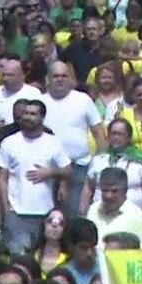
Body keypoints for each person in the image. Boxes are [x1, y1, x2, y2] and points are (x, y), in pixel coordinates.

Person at [0, 99, 71, 254]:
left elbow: (68, 170)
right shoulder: (9, 142)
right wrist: (5, 208)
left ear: (42, 117)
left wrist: (50, 172)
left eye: (33, 114)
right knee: (18, 256)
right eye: (26, 113)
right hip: (17, 211)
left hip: (45, 212)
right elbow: (2, 178)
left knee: (42, 255)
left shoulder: (53, 142)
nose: (28, 117)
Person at [41, 61, 104, 215]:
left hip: (79, 166)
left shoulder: (83, 100)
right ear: (48, 79)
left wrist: (101, 160)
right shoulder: (40, 101)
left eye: (64, 76)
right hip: (48, 168)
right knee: (48, 213)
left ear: (70, 78)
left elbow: (99, 133)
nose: (60, 79)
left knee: (75, 213)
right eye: (55, 76)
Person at [86, 166, 142, 243]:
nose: (108, 196)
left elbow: (140, 250)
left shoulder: (136, 216)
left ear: (125, 190)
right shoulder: (93, 210)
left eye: (114, 191)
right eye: (105, 190)